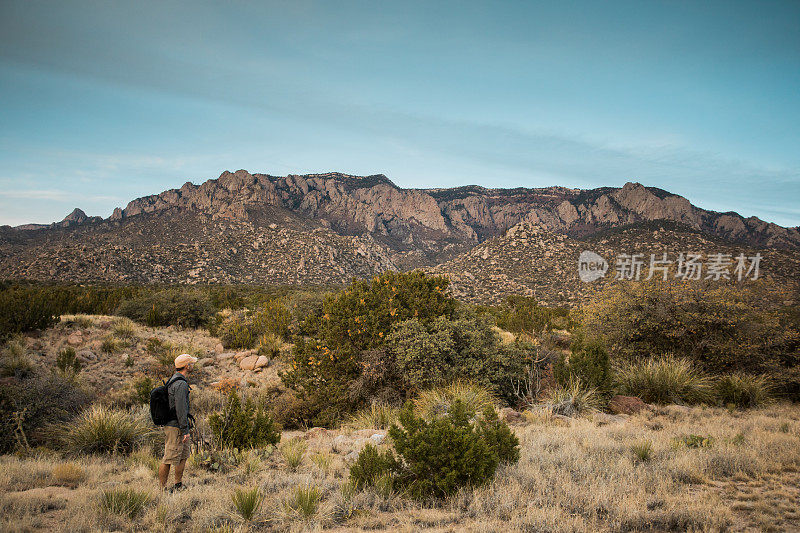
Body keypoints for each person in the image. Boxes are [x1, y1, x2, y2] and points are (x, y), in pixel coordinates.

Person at [158, 353, 197, 492]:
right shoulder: (180, 384)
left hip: (176, 424)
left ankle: (178, 484)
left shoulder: (175, 379)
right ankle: (162, 489)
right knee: (169, 457)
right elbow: (181, 409)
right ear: (187, 366)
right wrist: (185, 430)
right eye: (191, 363)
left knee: (182, 455)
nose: (193, 365)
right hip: (176, 426)